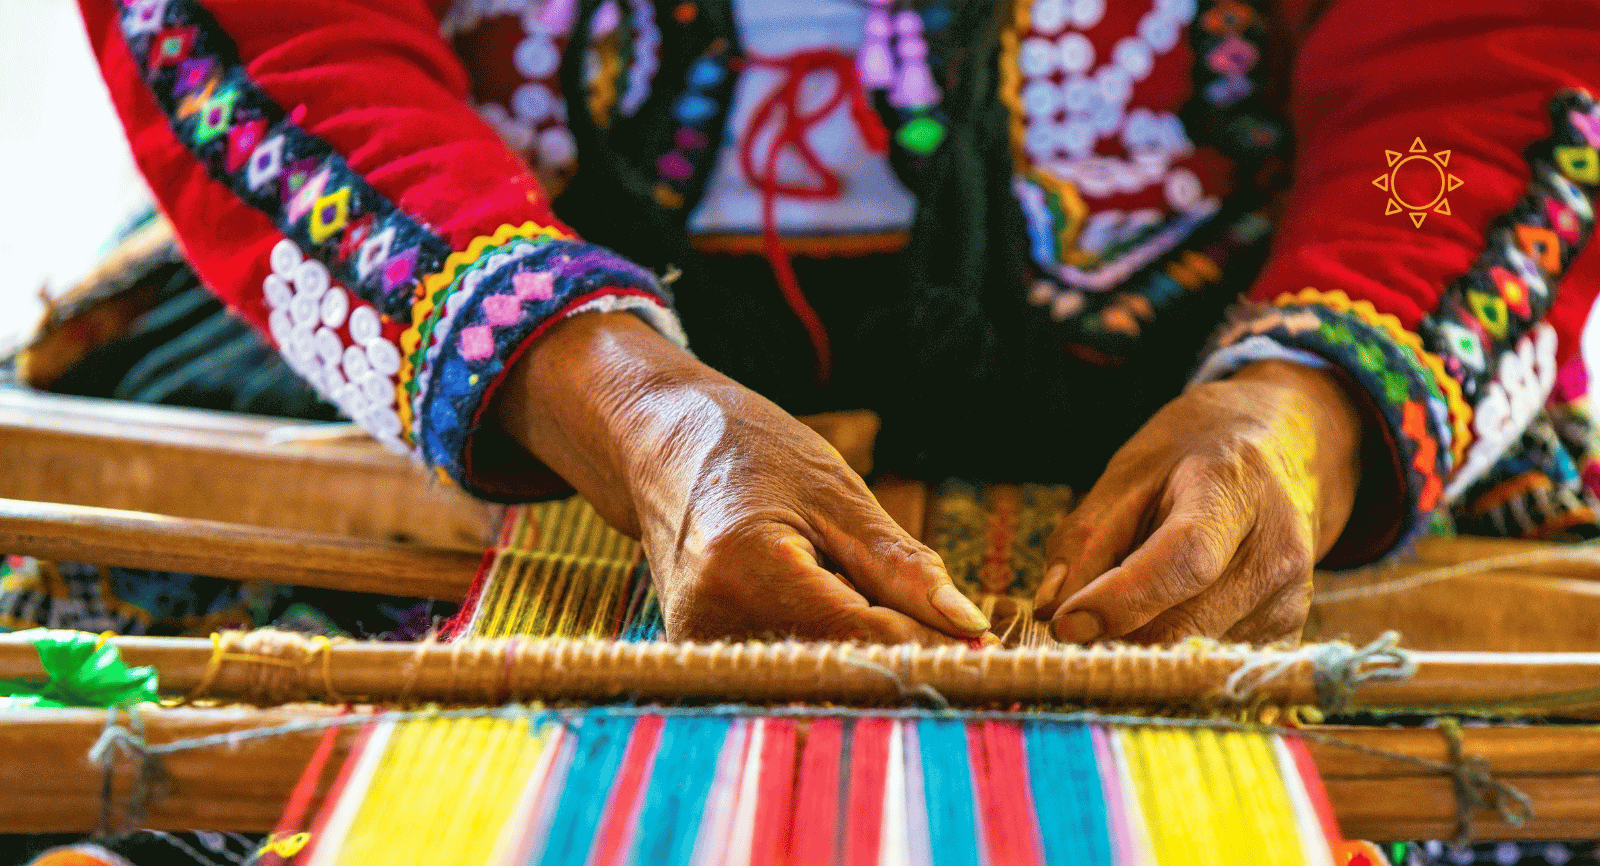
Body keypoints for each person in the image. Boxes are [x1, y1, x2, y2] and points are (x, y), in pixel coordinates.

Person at [66, 0, 1600, 651]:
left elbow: (1481, 64)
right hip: (445, 354)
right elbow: (287, 38)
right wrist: (624, 404)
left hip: (1249, 368)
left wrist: (1310, 404)